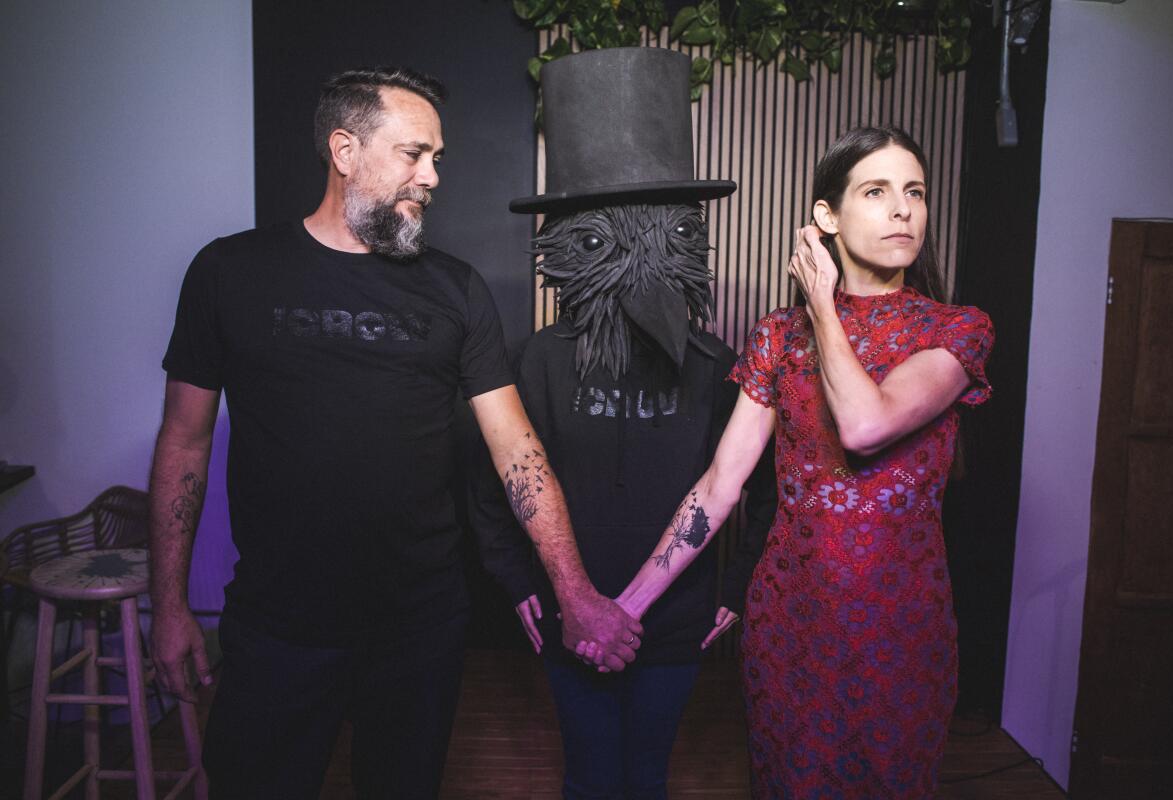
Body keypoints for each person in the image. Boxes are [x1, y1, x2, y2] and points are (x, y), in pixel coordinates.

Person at [147, 66, 641, 800]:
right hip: (278, 625)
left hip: (419, 628)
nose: (433, 176)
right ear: (344, 151)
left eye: (437, 157)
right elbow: (184, 443)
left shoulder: (455, 288)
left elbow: (517, 450)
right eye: (415, 153)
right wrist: (169, 605)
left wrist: (574, 591)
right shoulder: (229, 273)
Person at [589, 126, 994, 798]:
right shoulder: (778, 336)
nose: (903, 209)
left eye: (915, 193)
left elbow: (866, 425)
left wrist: (824, 309)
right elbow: (721, 486)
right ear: (826, 217)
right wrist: (625, 608)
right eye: (877, 191)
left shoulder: (955, 329)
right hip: (790, 624)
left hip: (902, 627)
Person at [471, 47, 776, 800]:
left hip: (674, 626)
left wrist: (735, 587)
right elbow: (489, 482)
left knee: (645, 776)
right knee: (587, 772)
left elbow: (760, 484)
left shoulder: (715, 365)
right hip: (566, 616)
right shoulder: (535, 363)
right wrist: (521, 584)